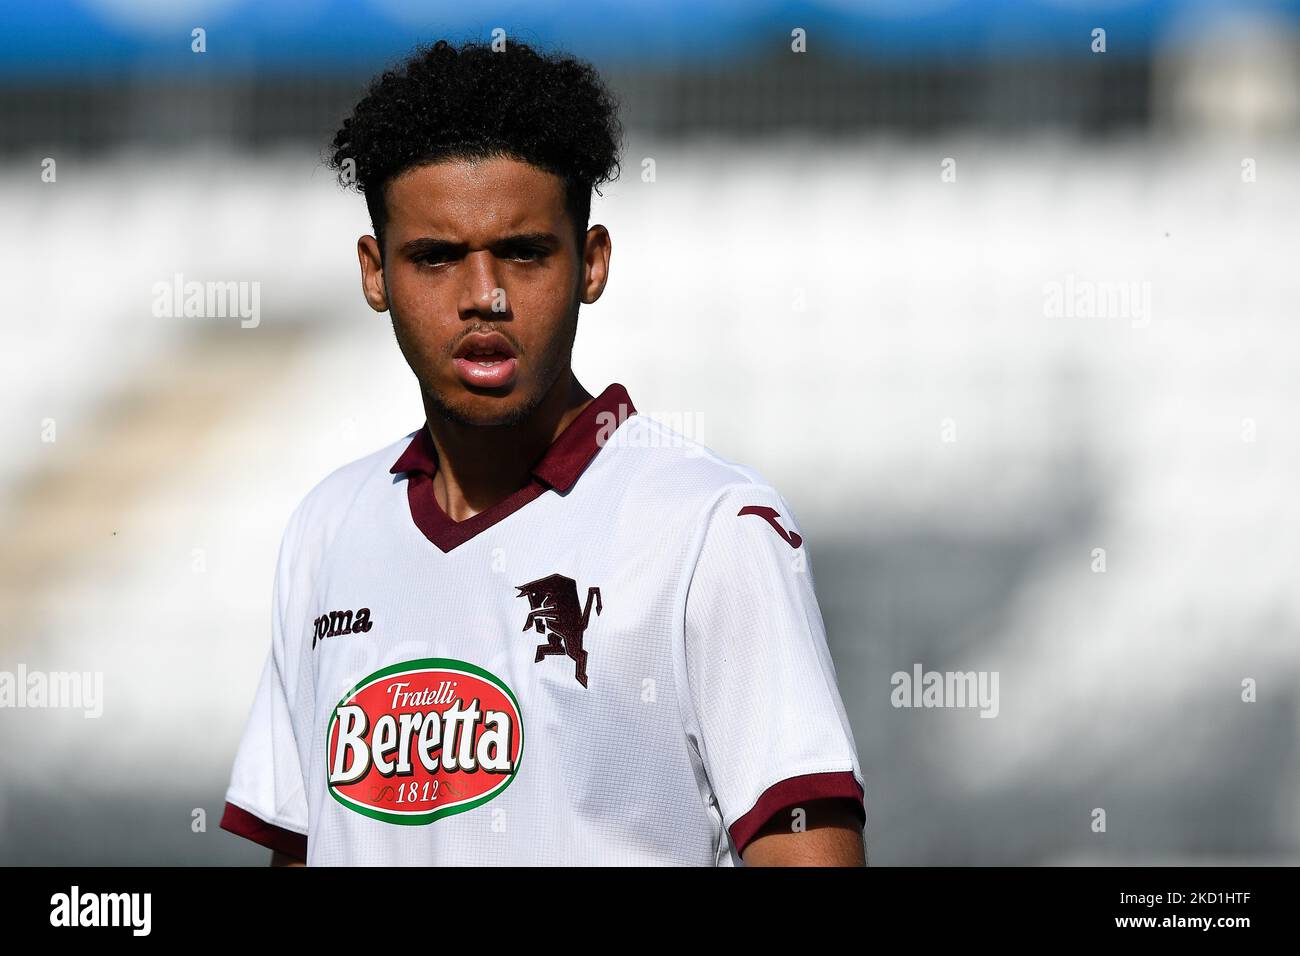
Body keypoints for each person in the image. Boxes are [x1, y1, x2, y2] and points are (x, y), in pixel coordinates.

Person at [220, 37, 865, 866]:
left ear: (591, 263)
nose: (482, 295)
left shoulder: (712, 530)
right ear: (375, 273)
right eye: (437, 257)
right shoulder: (328, 525)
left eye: (523, 253)